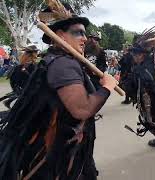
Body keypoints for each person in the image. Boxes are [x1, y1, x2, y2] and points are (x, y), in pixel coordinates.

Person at [0, 3, 117, 180]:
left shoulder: (61, 60)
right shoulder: (63, 64)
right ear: (60, 35)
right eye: (78, 32)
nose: (84, 38)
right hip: (58, 157)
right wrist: (106, 87)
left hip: (67, 150)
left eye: (84, 32)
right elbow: (82, 109)